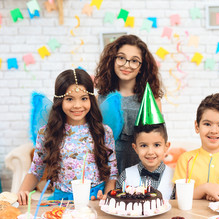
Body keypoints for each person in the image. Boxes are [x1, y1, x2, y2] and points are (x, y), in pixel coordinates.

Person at [17, 69, 118, 205]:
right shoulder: (46, 133)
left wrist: (107, 196)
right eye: (69, 99)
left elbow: (112, 172)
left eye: (84, 98)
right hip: (61, 201)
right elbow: (35, 171)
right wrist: (22, 193)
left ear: (91, 99)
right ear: (60, 101)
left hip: (95, 200)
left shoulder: (104, 131)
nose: (77, 105)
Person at [95, 34, 164, 174]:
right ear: (112, 60)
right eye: (121, 58)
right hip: (107, 170)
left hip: (142, 170)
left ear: (141, 67)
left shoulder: (151, 100)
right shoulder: (100, 99)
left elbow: (157, 138)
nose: (126, 65)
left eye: (134, 61)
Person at [116, 83, 174, 200]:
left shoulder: (175, 177)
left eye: (157, 145)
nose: (150, 152)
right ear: (135, 147)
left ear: (166, 147)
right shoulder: (125, 177)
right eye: (143, 145)